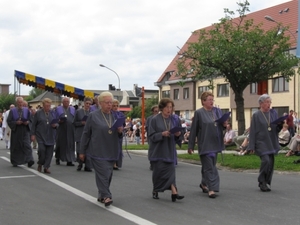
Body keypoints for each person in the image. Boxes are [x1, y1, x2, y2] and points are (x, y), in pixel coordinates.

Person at [79, 92, 123, 207]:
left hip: (111, 150)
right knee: (103, 173)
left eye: (111, 103)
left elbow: (120, 135)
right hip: (97, 150)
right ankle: (107, 196)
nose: (109, 105)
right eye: (107, 103)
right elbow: (86, 134)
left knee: (108, 174)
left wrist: (119, 131)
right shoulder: (93, 116)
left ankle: (101, 195)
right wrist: (82, 151)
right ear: (100, 103)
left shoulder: (115, 116)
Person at [188, 91, 228, 198]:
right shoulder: (199, 113)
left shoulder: (217, 111)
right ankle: (212, 189)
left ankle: (204, 183)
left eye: (212, 99)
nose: (212, 101)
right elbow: (194, 130)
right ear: (203, 101)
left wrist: (224, 125)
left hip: (216, 143)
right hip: (205, 144)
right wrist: (190, 145)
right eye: (209, 100)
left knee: (209, 166)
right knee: (210, 167)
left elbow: (221, 126)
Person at [148, 98, 184, 202]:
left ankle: (174, 192)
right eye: (167, 107)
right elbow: (151, 135)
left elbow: (180, 134)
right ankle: (156, 189)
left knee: (171, 172)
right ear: (162, 108)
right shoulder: (154, 119)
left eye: (171, 107)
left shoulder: (174, 119)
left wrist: (178, 134)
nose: (169, 109)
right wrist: (162, 134)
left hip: (169, 149)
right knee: (158, 172)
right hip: (158, 150)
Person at [248, 94, 280, 192]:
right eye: (267, 102)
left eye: (270, 102)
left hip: (271, 141)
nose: (269, 104)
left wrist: (281, 125)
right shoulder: (256, 115)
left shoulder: (273, 113)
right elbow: (252, 131)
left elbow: (276, 129)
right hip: (261, 142)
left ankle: (266, 181)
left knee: (270, 163)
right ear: (261, 103)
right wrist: (251, 146)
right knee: (265, 160)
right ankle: (261, 181)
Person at [31, 98, 57, 174]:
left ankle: (46, 167)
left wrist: (55, 125)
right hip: (41, 135)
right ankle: (40, 163)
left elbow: (57, 122)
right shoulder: (38, 113)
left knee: (50, 152)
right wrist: (33, 134)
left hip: (51, 135)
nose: (48, 107)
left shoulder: (52, 112)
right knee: (42, 150)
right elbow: (34, 125)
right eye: (46, 106)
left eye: (49, 106)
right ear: (43, 105)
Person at [7, 97, 34, 167]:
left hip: (25, 130)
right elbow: (9, 121)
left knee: (27, 145)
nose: (20, 104)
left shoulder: (27, 110)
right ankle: (15, 161)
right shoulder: (12, 111)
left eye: (21, 102)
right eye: (19, 102)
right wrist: (16, 122)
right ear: (17, 103)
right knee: (16, 147)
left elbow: (31, 120)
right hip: (16, 131)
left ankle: (30, 160)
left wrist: (27, 122)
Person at [54, 97, 76, 166]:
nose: (66, 103)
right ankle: (58, 157)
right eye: (65, 101)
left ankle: (69, 160)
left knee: (70, 144)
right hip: (61, 128)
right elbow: (54, 119)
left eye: (67, 101)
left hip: (70, 129)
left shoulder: (73, 109)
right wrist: (59, 121)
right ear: (62, 102)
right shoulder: (58, 109)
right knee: (60, 144)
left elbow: (75, 118)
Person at [73, 97, 93, 172]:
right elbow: (74, 123)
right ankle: (80, 163)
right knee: (79, 150)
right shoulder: (78, 112)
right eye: (87, 103)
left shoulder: (92, 113)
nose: (88, 105)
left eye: (89, 104)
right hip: (80, 133)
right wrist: (81, 123)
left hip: (89, 134)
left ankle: (87, 165)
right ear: (84, 103)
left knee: (88, 150)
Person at [111, 99, 125, 170]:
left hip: (119, 133)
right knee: (112, 148)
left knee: (119, 148)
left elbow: (123, 124)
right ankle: (113, 163)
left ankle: (117, 163)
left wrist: (121, 128)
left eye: (117, 106)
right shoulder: (110, 114)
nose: (115, 107)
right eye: (114, 106)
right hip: (112, 133)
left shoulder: (121, 114)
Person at [146, 105, 159, 170]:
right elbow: (147, 128)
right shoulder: (149, 118)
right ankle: (152, 163)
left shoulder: (160, 118)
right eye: (155, 111)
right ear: (152, 112)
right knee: (152, 150)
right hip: (151, 137)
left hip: (158, 137)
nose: (156, 113)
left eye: (158, 111)